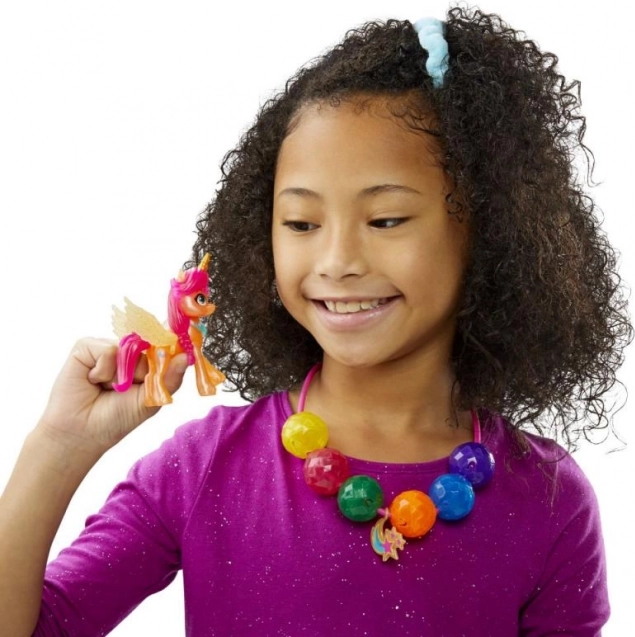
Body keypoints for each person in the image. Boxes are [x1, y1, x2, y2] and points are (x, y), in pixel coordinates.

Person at [1, 6, 631, 636]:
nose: (336, 261)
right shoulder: (202, 467)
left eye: (385, 220)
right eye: (301, 223)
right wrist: (58, 447)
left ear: (490, 232)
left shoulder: (550, 499)